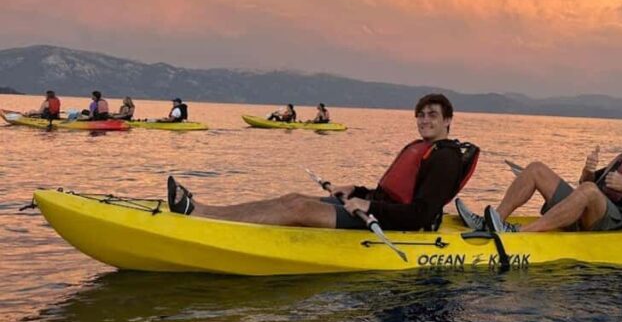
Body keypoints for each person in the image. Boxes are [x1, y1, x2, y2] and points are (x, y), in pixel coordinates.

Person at [167, 93, 479, 232]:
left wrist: (370, 207)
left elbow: (419, 215)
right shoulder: (423, 148)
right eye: (421, 115)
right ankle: (204, 211)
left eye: (433, 116)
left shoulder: (445, 158)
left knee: (299, 210)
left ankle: (202, 218)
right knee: (292, 198)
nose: (424, 121)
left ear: (448, 121)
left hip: (392, 223)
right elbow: (397, 192)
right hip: (378, 209)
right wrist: (357, 190)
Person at [456, 112, 622, 234]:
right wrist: (588, 168)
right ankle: (495, 221)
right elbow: (586, 184)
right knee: (536, 168)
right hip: (594, 211)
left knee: (588, 191)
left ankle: (520, 232)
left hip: (620, 223)